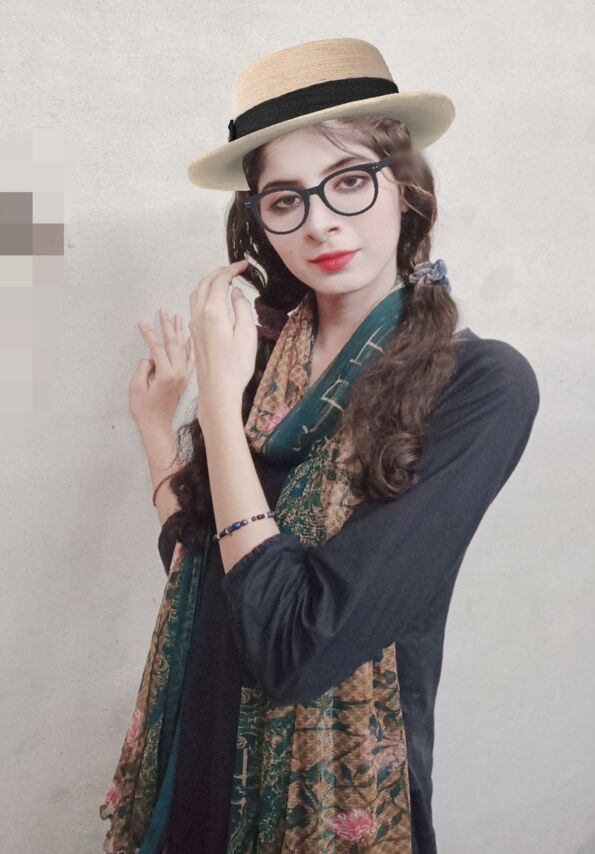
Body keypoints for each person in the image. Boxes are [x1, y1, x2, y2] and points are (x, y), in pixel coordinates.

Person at [99, 37, 540, 854]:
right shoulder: (262, 360)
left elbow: (295, 646)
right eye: (285, 199)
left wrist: (217, 407)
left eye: (349, 181)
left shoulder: (479, 385)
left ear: (404, 186)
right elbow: (207, 567)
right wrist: (159, 424)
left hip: (334, 801)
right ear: (259, 220)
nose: (322, 221)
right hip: (198, 759)